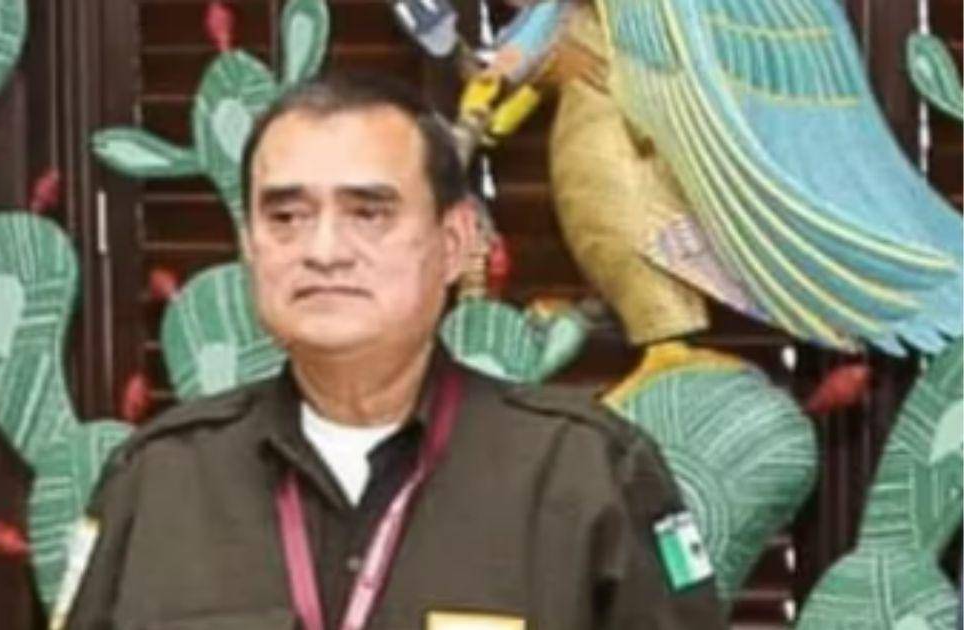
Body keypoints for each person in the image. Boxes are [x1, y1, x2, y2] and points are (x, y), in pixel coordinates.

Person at [63, 73, 725, 629]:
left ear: (455, 242)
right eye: (286, 217)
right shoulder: (158, 483)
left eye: (369, 213)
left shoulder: (582, 472)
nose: (324, 251)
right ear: (250, 246)